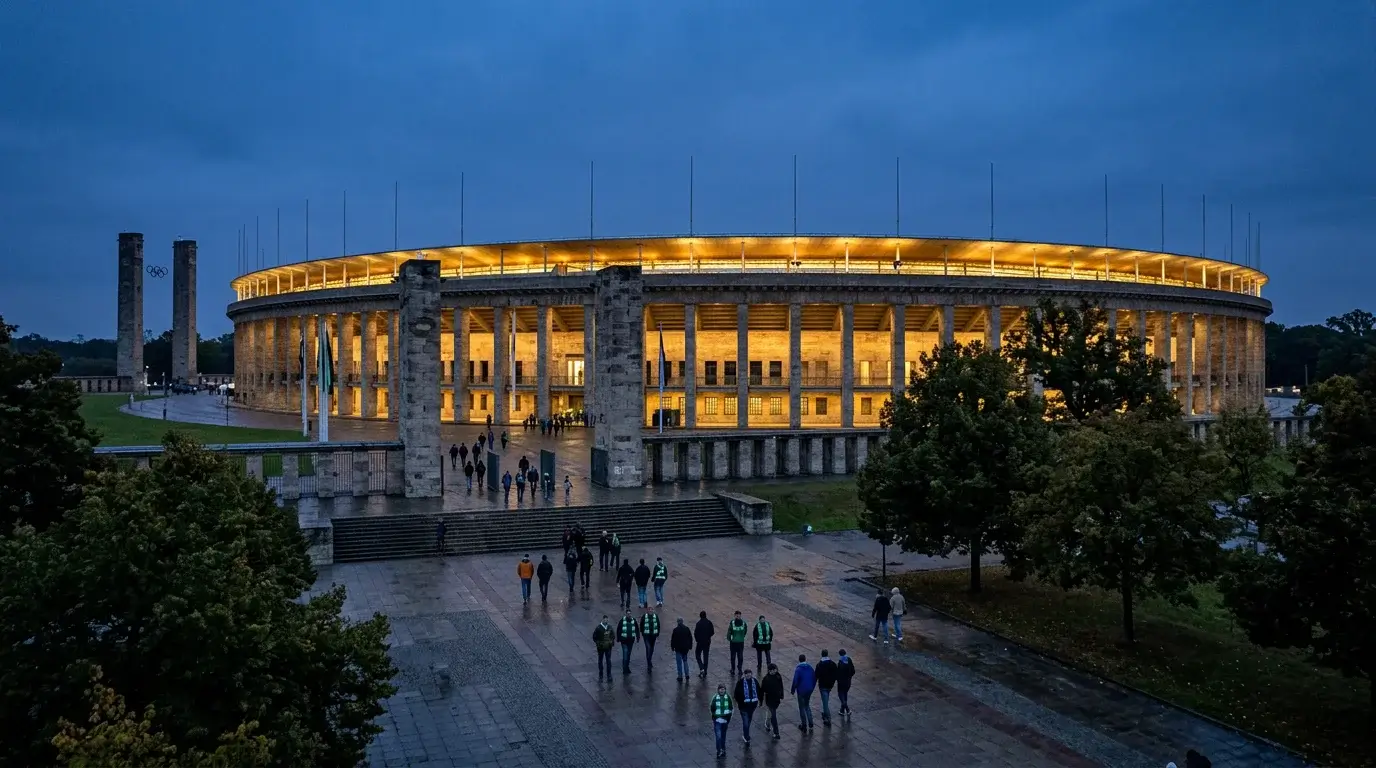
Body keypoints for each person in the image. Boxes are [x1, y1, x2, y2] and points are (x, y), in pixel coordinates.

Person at [733, 668, 761, 745]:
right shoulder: (740, 682)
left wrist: (759, 701)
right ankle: (746, 736)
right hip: (743, 706)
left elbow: (759, 691)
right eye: (746, 673)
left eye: (749, 673)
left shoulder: (754, 681)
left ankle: (746, 732)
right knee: (745, 722)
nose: (748, 675)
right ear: (744, 675)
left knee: (749, 720)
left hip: (752, 705)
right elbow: (736, 694)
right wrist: (740, 702)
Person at [790, 653, 816, 733]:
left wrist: (793, 690)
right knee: (807, 706)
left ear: (799, 660)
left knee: (802, 708)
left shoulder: (798, 669)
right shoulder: (810, 668)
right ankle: (811, 724)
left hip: (801, 691)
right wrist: (812, 687)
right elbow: (814, 678)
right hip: (809, 690)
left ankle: (804, 725)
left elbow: (795, 681)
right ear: (805, 659)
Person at [760, 663, 784, 740]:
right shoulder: (766, 679)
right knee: (773, 716)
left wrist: (781, 695)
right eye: (773, 670)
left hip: (776, 699)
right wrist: (761, 701)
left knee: (770, 714)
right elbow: (762, 690)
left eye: (775, 669)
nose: (774, 671)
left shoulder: (778, 676)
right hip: (770, 700)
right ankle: (776, 733)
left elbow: (781, 686)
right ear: (769, 670)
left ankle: (767, 724)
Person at [710, 683, 734, 759]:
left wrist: (728, 718)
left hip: (725, 720)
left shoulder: (728, 697)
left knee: (723, 736)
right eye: (720, 689)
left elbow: (731, 708)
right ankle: (719, 750)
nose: (722, 690)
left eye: (723, 689)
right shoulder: (715, 697)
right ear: (718, 690)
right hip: (717, 720)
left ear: (725, 690)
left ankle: (723, 749)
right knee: (718, 736)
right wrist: (715, 717)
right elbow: (712, 708)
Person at [814, 650, 837, 726]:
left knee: (825, 703)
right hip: (830, 685)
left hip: (823, 685)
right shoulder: (832, 664)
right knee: (826, 699)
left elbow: (816, 675)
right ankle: (825, 714)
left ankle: (828, 718)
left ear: (821, 655)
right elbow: (835, 673)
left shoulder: (819, 665)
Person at [670, 617, 694, 681]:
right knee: (685, 661)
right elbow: (690, 638)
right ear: (682, 622)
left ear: (678, 622)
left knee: (679, 663)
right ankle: (687, 675)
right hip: (685, 649)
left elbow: (673, 640)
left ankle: (680, 676)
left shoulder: (675, 630)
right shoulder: (686, 629)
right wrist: (690, 646)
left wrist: (672, 647)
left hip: (678, 649)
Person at [616, 609, 639, 674]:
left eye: (629, 613)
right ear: (626, 614)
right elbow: (619, 629)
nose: (629, 614)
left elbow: (637, 629)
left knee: (628, 655)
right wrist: (618, 638)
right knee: (625, 655)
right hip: (624, 641)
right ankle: (624, 669)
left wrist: (638, 637)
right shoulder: (622, 620)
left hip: (631, 641)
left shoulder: (633, 620)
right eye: (627, 613)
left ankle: (627, 667)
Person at [593, 615, 615, 680]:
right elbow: (594, 637)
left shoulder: (610, 627)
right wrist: (598, 643)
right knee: (600, 660)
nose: (606, 620)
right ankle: (601, 674)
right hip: (601, 648)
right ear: (602, 620)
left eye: (607, 619)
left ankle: (609, 674)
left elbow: (613, 635)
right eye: (605, 619)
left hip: (608, 647)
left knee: (608, 661)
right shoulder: (598, 628)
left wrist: (611, 642)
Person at [726, 611, 748, 676]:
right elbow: (729, 631)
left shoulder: (742, 623)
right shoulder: (733, 623)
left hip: (738, 642)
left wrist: (730, 638)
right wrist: (730, 638)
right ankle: (735, 669)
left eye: (739, 615)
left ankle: (738, 669)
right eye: (737, 615)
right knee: (734, 657)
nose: (738, 617)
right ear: (735, 615)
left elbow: (745, 631)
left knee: (739, 657)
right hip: (735, 643)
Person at [694, 610, 714, 678]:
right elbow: (712, 632)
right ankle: (705, 671)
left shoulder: (698, 624)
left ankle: (701, 667)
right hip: (707, 642)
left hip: (700, 642)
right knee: (706, 656)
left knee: (697, 654)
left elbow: (695, 633)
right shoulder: (709, 623)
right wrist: (708, 637)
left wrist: (697, 640)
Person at [835, 648, 855, 717]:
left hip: (841, 682)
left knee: (841, 695)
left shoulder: (840, 662)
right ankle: (842, 710)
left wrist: (838, 679)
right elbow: (853, 671)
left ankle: (847, 709)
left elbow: (838, 673)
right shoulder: (849, 659)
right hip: (848, 682)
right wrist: (849, 677)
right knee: (845, 694)